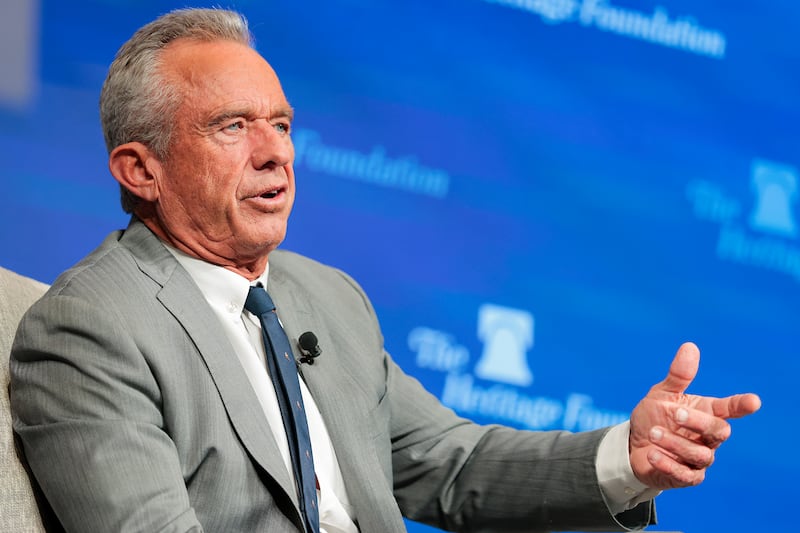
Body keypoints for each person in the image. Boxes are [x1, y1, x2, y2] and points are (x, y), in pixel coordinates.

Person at [9, 7, 761, 533]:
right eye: (232, 127)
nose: (277, 153)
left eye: (281, 124)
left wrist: (624, 457)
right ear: (140, 169)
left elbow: (448, 464)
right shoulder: (90, 328)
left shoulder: (325, 297)